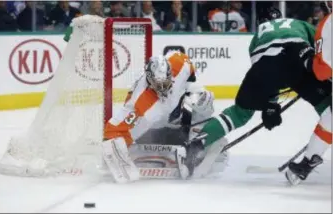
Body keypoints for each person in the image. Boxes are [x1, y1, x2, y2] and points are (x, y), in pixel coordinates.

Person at [191, 7, 332, 178]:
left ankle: (198, 143)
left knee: (240, 112)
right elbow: (322, 44)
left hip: (266, 64)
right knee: (327, 107)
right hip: (298, 59)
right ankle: (313, 155)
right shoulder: (296, 23)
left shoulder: (257, 36)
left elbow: (268, 74)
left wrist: (270, 105)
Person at [103, 51, 203, 183]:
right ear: (149, 79)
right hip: (153, 130)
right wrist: (114, 150)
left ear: (170, 72)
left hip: (175, 117)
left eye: (165, 82)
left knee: (202, 96)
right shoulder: (140, 100)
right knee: (133, 131)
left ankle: (200, 138)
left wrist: (187, 88)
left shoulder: (178, 62)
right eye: (158, 84)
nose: (162, 88)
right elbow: (112, 130)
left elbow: (188, 67)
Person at [285, 1, 332, 185]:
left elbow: (323, 71)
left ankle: (307, 163)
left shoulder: (329, 24)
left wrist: (308, 59)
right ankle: (307, 163)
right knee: (329, 119)